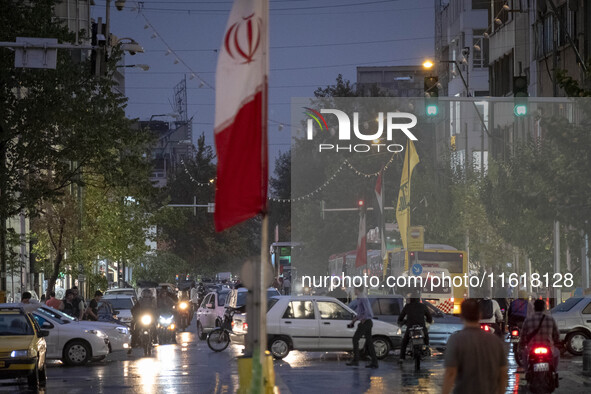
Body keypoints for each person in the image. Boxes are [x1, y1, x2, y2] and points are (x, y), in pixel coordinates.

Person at [442, 299, 508, 394]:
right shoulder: (495, 341)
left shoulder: (456, 340)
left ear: (461, 316)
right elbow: (503, 373)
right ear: (479, 315)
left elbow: (450, 373)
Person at [519, 299, 560, 369]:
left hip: (532, 347)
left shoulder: (528, 319)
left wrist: (522, 345)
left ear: (534, 308)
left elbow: (523, 335)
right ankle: (554, 372)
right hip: (548, 346)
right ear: (544, 308)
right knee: (557, 353)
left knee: (524, 355)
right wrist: (556, 342)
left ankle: (526, 371)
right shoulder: (550, 319)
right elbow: (556, 334)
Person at [346, 285, 378, 368]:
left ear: (357, 290)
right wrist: (354, 321)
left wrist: (363, 319)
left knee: (355, 339)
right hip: (367, 322)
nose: (353, 291)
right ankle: (374, 362)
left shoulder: (362, 298)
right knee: (369, 342)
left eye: (354, 289)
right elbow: (360, 313)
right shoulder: (361, 298)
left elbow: (367, 311)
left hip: (366, 322)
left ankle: (356, 360)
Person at [397, 293, 433, 363]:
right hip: (421, 327)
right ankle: (427, 348)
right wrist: (429, 321)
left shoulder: (407, 306)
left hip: (410, 327)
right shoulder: (423, 306)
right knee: (426, 337)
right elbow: (429, 318)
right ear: (419, 299)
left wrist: (402, 321)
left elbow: (401, 317)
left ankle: (402, 358)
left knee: (404, 343)